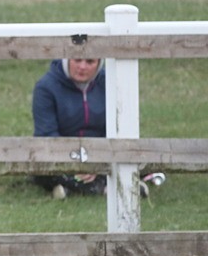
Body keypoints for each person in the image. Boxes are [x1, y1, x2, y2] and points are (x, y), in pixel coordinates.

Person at [31, 58, 165, 199]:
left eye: (90, 62)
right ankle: (109, 188)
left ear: (99, 63)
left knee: (140, 153)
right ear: (67, 59)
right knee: (42, 167)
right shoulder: (45, 87)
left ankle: (74, 188)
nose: (82, 67)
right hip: (61, 154)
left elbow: (118, 131)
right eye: (77, 60)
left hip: (103, 152)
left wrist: (97, 160)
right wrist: (79, 163)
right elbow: (47, 136)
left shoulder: (111, 83)